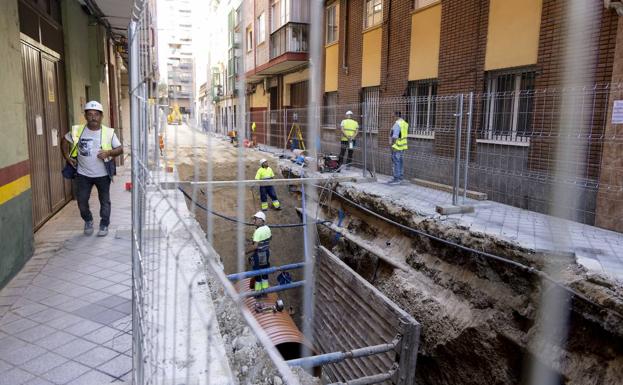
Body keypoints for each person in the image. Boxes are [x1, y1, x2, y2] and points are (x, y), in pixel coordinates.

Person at [62, 101, 123, 236]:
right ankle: (88, 220)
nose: (93, 117)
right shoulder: (77, 131)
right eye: (90, 114)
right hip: (83, 174)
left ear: (101, 116)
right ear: (85, 116)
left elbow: (120, 149)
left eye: (96, 114)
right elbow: (64, 140)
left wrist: (108, 152)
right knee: (82, 202)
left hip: (102, 174)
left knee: (104, 201)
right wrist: (67, 157)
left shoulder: (108, 132)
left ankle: (104, 224)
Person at [246, 211, 272, 293]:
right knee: (264, 272)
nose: (254, 221)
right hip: (266, 253)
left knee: (257, 273)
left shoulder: (258, 231)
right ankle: (265, 291)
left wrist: (245, 252)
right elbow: (270, 238)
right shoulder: (268, 228)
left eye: (256, 219)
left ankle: (257, 293)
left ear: (261, 220)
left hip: (258, 254)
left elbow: (255, 246)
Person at [389, 111, 409, 185]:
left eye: (393, 116)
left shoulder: (397, 124)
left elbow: (395, 136)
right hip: (403, 146)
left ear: (397, 116)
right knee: (400, 161)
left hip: (397, 146)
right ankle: (400, 177)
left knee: (396, 162)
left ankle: (396, 178)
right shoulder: (405, 123)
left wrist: (392, 145)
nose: (392, 118)